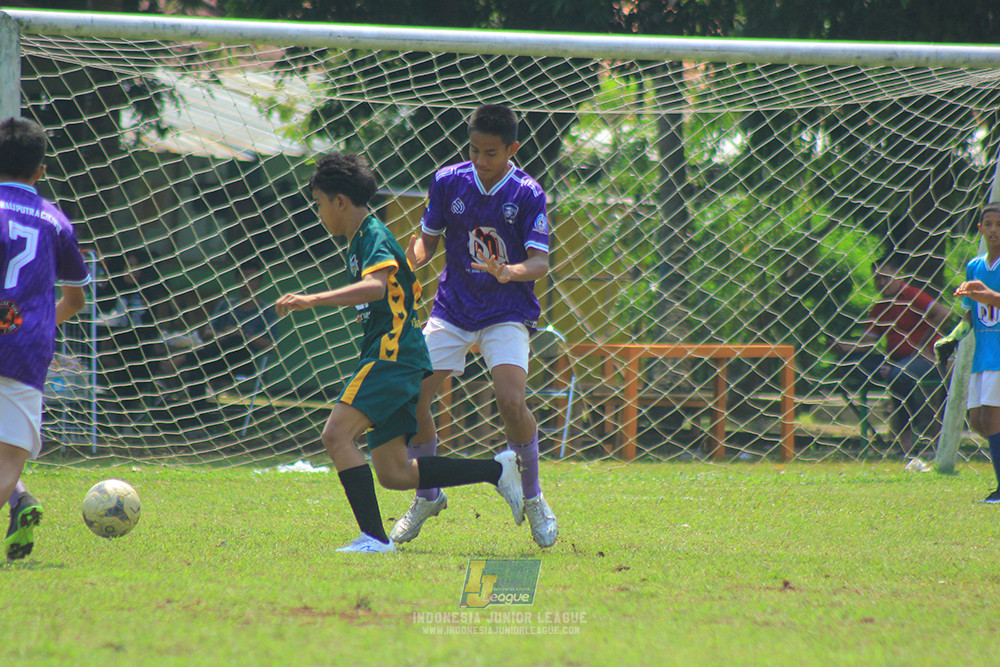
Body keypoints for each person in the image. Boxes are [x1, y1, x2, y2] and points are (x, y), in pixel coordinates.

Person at [275, 152, 524, 553]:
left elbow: (375, 288)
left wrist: (312, 298)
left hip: (391, 356)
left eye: (319, 202)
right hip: (398, 355)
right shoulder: (362, 240)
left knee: (336, 435)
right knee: (393, 472)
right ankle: (496, 470)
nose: (318, 212)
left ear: (339, 201)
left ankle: (374, 540)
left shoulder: (370, 234)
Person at [392, 103, 558, 548]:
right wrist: (411, 263)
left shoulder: (527, 192)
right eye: (475, 151)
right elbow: (425, 238)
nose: (481, 161)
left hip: (507, 310)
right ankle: (427, 497)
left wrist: (509, 271)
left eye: (491, 153)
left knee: (509, 400)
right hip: (452, 310)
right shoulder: (449, 181)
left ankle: (534, 496)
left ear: (512, 150)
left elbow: (540, 262)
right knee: (412, 399)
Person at [0, 117, 90, 560]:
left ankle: (22, 500)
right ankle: (19, 498)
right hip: (24, 351)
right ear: (41, 170)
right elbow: (75, 299)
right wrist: (31, 327)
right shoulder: (55, 220)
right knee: (8, 459)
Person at [834, 256, 950, 457]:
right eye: (876, 279)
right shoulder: (881, 306)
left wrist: (921, 345)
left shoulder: (912, 294)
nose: (880, 283)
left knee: (899, 375)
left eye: (885, 277)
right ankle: (895, 440)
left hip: (925, 359)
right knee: (854, 365)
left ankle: (911, 441)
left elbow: (944, 313)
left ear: (898, 275)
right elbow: (868, 341)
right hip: (896, 361)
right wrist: (842, 346)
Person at [937, 202, 1000, 502]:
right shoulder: (975, 266)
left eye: (999, 224)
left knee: (993, 420)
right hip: (982, 357)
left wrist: (988, 295)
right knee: (978, 423)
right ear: (980, 229)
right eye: (988, 224)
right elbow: (969, 315)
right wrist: (952, 339)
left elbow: (989, 300)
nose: (994, 230)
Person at [181, 261, 275, 400]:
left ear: (259, 282)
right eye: (243, 279)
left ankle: (183, 359)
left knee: (237, 340)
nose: (247, 283)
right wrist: (222, 334)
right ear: (237, 280)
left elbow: (271, 346)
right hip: (217, 357)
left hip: (244, 362)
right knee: (198, 369)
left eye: (253, 279)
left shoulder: (266, 311)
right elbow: (207, 333)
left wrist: (243, 334)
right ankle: (198, 416)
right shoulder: (226, 304)